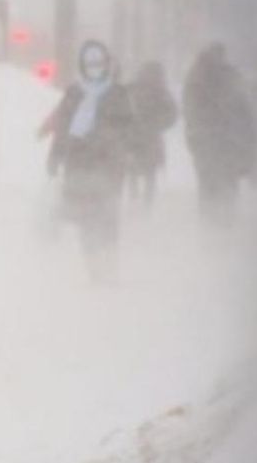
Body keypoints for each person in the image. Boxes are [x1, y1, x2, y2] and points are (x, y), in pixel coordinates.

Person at [41, 40, 134, 282]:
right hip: (78, 165)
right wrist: (55, 156)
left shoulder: (118, 93)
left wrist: (114, 144)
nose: (94, 68)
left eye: (98, 63)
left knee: (108, 216)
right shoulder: (74, 93)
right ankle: (94, 266)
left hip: (108, 166)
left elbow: (128, 128)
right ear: (82, 66)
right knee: (85, 217)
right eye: (89, 63)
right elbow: (63, 127)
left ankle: (110, 263)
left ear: (106, 64)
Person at [182, 43, 257, 227]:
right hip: (224, 142)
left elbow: (190, 112)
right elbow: (246, 109)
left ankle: (212, 226)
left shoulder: (196, 77)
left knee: (211, 185)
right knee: (225, 185)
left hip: (211, 143)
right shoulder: (225, 76)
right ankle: (222, 225)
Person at [125, 61, 178, 207]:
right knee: (148, 173)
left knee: (135, 171)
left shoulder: (133, 88)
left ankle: (135, 201)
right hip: (149, 139)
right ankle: (145, 204)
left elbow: (172, 114)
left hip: (135, 138)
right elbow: (172, 114)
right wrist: (158, 123)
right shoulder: (160, 92)